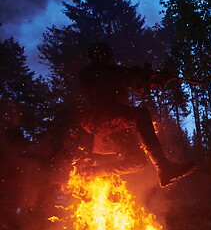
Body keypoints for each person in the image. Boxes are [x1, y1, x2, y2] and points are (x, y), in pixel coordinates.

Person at [78, 42, 197, 187]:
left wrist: (154, 80)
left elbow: (140, 88)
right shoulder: (89, 72)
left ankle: (90, 173)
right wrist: (133, 73)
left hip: (115, 123)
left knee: (138, 161)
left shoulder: (116, 73)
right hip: (99, 119)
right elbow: (108, 77)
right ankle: (164, 167)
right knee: (141, 115)